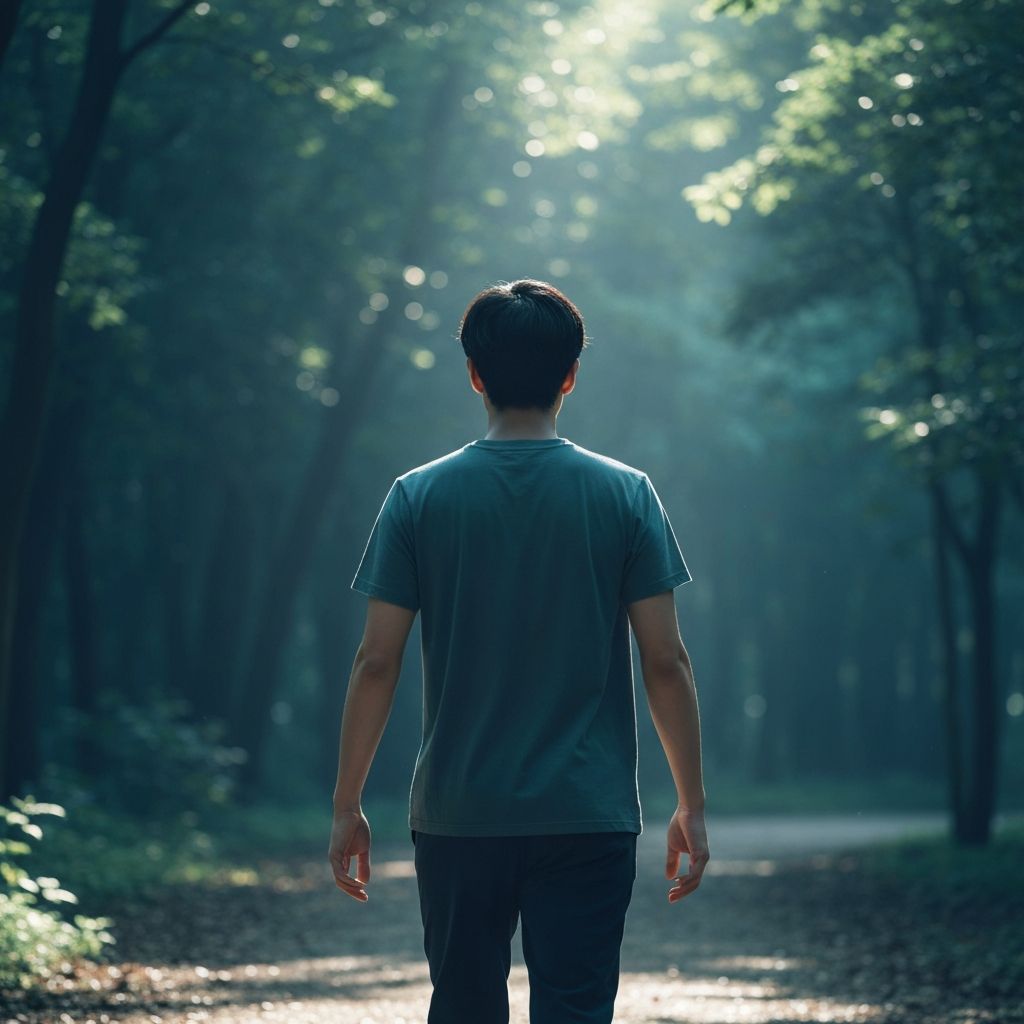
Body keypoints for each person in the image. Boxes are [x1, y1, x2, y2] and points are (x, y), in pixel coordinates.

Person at [329, 278, 710, 1024]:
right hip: (587, 811)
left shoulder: (417, 496)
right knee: (575, 1008)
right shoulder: (626, 494)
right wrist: (691, 802)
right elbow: (666, 662)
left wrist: (348, 803)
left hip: (459, 811)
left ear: (474, 374)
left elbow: (376, 662)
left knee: (465, 1006)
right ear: (570, 375)